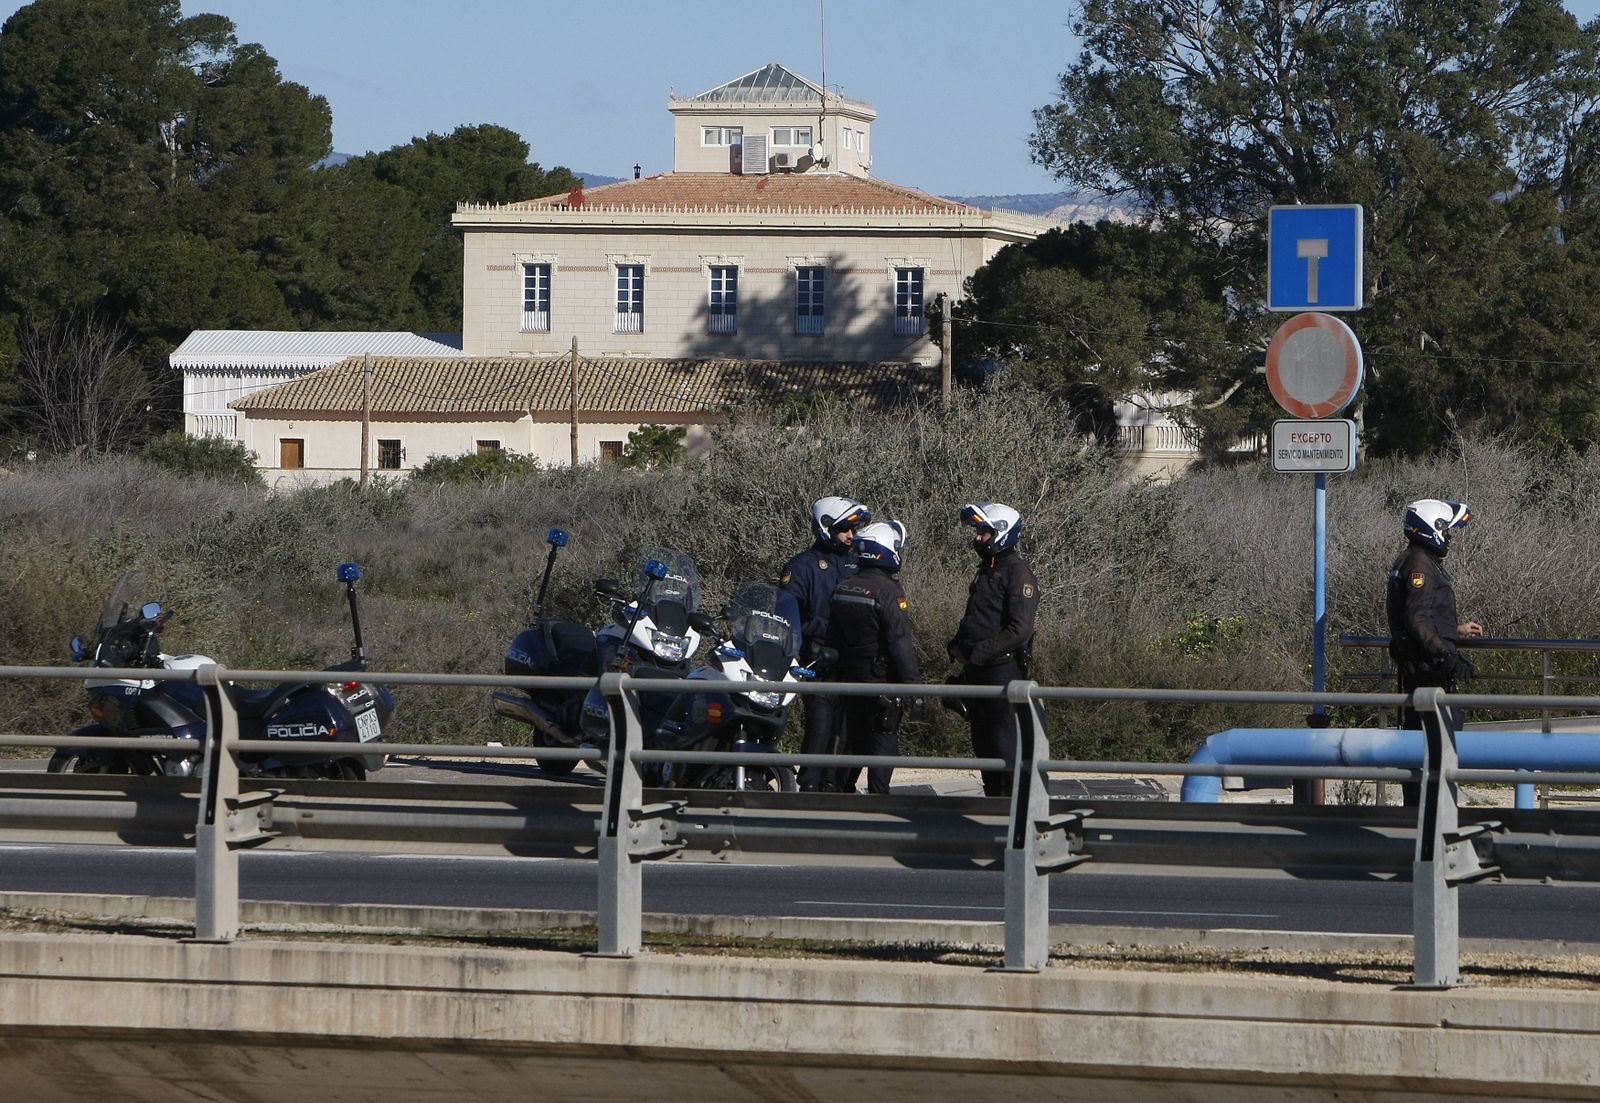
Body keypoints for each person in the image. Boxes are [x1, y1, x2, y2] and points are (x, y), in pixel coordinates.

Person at [1386, 499, 1484, 803]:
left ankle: (1420, 818)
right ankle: (1435, 823)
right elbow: (1416, 619)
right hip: (1429, 675)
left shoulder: (1410, 560)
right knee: (1441, 749)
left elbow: (1417, 616)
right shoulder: (1419, 566)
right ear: (1433, 528)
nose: (1450, 538)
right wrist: (1446, 656)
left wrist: (1453, 630)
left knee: (1422, 748)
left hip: (1418, 671)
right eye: (1447, 530)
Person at [947, 502, 1041, 798]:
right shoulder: (987, 570)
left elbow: (1019, 630)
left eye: (985, 532)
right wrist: (958, 644)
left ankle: (1009, 812)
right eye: (978, 531)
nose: (978, 538)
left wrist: (979, 652)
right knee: (983, 744)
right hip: (979, 671)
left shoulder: (1018, 574)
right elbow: (977, 617)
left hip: (1002, 671)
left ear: (1002, 534)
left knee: (1003, 745)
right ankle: (992, 806)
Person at [780, 495, 872, 791]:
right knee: (820, 727)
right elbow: (789, 615)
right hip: (818, 660)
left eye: (854, 529)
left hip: (854, 660)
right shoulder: (801, 566)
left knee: (850, 730)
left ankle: (840, 786)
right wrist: (818, 633)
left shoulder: (859, 564)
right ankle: (809, 787)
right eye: (845, 528)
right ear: (825, 527)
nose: (851, 535)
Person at [826, 520, 921, 795]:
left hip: (849, 678)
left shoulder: (844, 586)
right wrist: (915, 686)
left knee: (853, 737)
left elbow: (833, 637)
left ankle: (842, 791)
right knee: (884, 735)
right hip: (882, 680)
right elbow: (899, 642)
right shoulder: (889, 591)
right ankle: (879, 797)